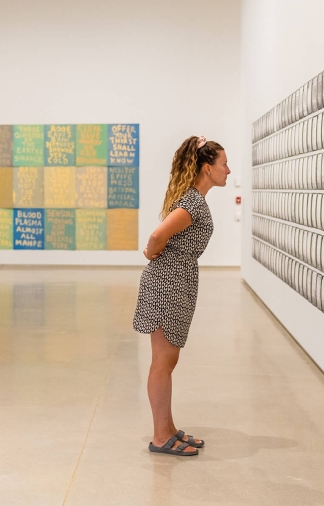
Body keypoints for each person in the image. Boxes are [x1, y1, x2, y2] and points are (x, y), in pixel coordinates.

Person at [133, 135, 230, 457]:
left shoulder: (193, 200)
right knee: (163, 361)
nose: (228, 170)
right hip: (167, 283)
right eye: (223, 164)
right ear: (207, 168)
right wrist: (151, 252)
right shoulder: (191, 203)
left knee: (167, 360)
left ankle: (169, 428)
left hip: (178, 280)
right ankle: (161, 436)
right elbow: (158, 235)